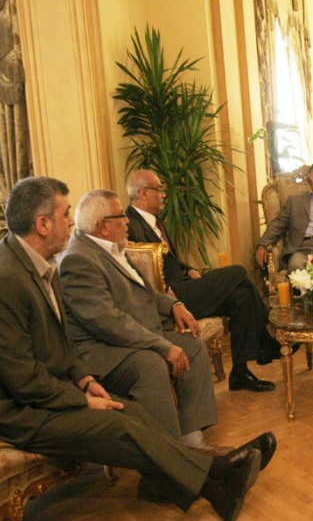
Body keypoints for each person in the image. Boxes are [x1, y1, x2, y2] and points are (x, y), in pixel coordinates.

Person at [0, 176, 276, 520]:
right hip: (16, 413)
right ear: (43, 224)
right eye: (65, 214)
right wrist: (83, 400)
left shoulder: (38, 265)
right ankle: (219, 474)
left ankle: (214, 484)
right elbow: (23, 381)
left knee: (132, 412)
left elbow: (62, 344)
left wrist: (85, 380)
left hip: (47, 391)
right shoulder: (1, 281)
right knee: (119, 425)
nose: (72, 222)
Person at [59, 188, 219, 451]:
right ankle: (170, 453)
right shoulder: (78, 260)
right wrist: (162, 345)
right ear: (103, 226)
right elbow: (107, 322)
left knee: (192, 345)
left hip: (134, 336)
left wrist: (174, 305)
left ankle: (192, 438)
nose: (127, 221)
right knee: (151, 366)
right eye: (121, 216)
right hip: (105, 350)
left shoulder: (113, 247)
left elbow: (148, 291)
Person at [126, 169, 280, 393]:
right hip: (172, 299)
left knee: (242, 296)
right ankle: (268, 335)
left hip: (183, 284)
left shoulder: (154, 220)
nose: (163, 195)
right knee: (238, 272)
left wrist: (188, 269)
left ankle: (240, 373)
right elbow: (138, 269)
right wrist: (165, 290)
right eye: (158, 189)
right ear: (143, 193)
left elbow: (170, 260)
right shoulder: (131, 225)